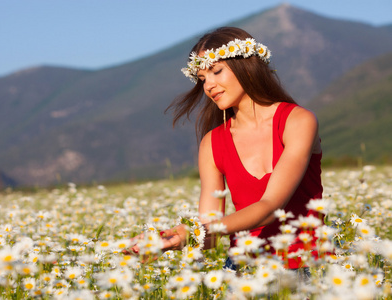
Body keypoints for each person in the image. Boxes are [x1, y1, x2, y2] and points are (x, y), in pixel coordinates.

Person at [130, 27, 323, 271]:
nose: (209, 85)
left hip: (306, 268)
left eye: (216, 71)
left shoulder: (297, 121)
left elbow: (270, 206)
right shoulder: (212, 143)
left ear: (247, 65)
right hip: (242, 270)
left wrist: (196, 229)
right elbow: (209, 235)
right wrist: (171, 239)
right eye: (202, 79)